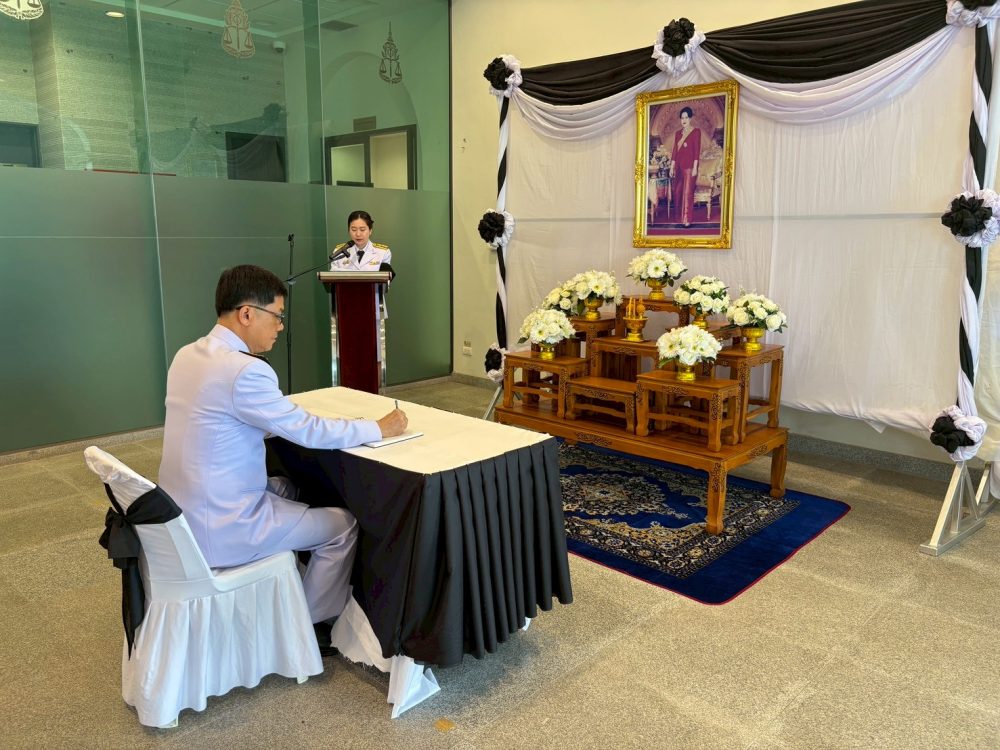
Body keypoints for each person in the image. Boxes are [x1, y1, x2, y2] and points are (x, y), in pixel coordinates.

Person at [158, 264, 407, 655]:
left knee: (290, 486)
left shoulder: (187, 355)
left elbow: (220, 420)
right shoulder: (245, 371)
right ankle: (304, 627)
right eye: (276, 316)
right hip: (223, 526)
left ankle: (293, 588)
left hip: (180, 515)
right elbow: (308, 432)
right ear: (246, 314)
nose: (279, 327)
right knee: (342, 525)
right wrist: (377, 428)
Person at [330, 210, 394, 277]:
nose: (358, 234)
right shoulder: (339, 251)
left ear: (370, 231)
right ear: (349, 231)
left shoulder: (383, 252)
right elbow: (333, 278)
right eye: (354, 230)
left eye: (362, 229)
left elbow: (385, 279)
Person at [669, 106, 702, 227]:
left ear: (690, 118)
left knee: (687, 193)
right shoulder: (678, 134)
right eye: (682, 118)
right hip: (678, 166)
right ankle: (678, 218)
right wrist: (672, 167)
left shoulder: (696, 132)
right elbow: (675, 150)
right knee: (677, 192)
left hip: (690, 167)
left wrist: (695, 168)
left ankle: (687, 219)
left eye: (686, 117)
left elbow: (697, 150)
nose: (684, 120)